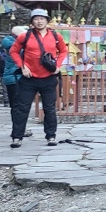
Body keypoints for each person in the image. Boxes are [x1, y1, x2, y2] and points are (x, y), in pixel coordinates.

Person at [9, 9, 66, 148]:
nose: (39, 21)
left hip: (48, 77)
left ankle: (51, 136)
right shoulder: (25, 36)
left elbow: (63, 50)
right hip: (29, 78)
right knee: (22, 108)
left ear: (47, 20)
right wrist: (22, 66)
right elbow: (13, 51)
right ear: (32, 21)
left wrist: (58, 66)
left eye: (42, 18)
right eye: (36, 19)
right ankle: (17, 137)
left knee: (49, 109)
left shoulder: (56, 35)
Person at [0, 27, 32, 138]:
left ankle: (18, 128)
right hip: (16, 77)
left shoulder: (9, 44)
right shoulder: (16, 46)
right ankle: (19, 129)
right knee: (20, 106)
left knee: (16, 106)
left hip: (12, 78)